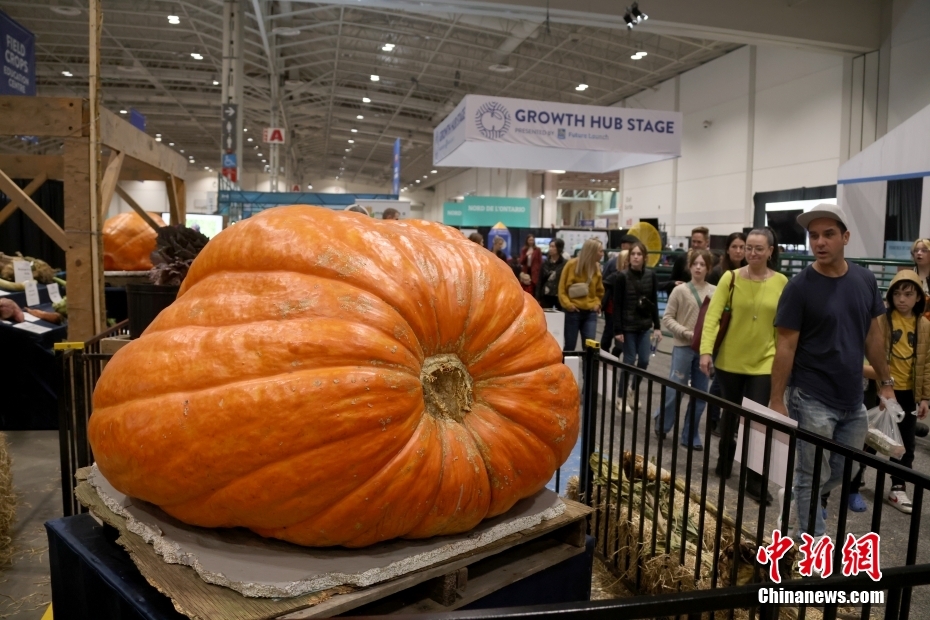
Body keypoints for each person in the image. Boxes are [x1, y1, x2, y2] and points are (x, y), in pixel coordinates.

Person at [768, 204, 894, 539]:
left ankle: (795, 499)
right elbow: (785, 347)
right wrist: (776, 399)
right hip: (810, 396)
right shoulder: (799, 287)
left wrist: (886, 382)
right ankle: (812, 544)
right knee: (811, 475)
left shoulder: (865, 280)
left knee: (843, 468)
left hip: (852, 398)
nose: (819, 242)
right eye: (813, 236)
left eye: (828, 234)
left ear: (845, 237)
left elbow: (872, 336)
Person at [700, 227, 788, 504]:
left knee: (757, 424)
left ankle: (755, 481)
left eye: (758, 248)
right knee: (729, 417)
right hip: (729, 362)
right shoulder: (731, 278)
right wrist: (705, 352)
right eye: (748, 247)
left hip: (764, 362)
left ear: (770, 251)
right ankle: (724, 459)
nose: (751, 253)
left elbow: (783, 326)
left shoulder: (782, 282)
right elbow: (712, 317)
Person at [857, 271, 930, 513]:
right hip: (881, 389)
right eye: (897, 294)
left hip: (909, 392)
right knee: (870, 439)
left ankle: (898, 488)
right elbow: (871, 353)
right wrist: (879, 390)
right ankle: (854, 482)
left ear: (919, 297)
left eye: (908, 294)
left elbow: (928, 364)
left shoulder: (925, 326)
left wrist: (925, 398)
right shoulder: (881, 321)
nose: (902, 299)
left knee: (905, 443)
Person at [655, 249, 716, 448]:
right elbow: (668, 317)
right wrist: (685, 332)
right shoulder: (680, 291)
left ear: (708, 268)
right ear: (689, 267)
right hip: (683, 346)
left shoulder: (714, 291)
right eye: (695, 264)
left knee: (700, 393)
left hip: (704, 349)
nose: (698, 267)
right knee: (675, 388)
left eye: (702, 264)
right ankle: (663, 423)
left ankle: (690, 434)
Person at [706, 232, 748, 435]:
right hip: (721, 333)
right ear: (728, 249)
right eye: (735, 247)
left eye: (742, 247)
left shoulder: (752, 272)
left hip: (742, 336)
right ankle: (714, 418)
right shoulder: (717, 273)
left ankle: (726, 421)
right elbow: (713, 307)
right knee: (719, 380)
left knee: (732, 384)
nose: (739, 251)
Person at [614, 241, 662, 408]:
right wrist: (618, 329)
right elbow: (617, 305)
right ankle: (620, 396)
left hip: (644, 325)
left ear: (644, 257)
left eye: (639, 254)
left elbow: (654, 302)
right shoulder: (622, 277)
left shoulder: (651, 276)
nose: (635, 257)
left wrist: (657, 326)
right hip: (627, 327)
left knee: (643, 361)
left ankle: (632, 390)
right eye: (633, 254)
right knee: (628, 359)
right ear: (629, 257)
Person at [558, 238, 605, 351]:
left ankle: (587, 369)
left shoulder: (596, 268)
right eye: (600, 251)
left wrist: (597, 304)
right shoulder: (572, 265)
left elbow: (599, 290)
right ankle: (567, 369)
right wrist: (568, 305)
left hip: (590, 313)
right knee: (570, 346)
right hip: (573, 312)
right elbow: (562, 289)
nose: (602, 254)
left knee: (590, 349)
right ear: (592, 252)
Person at [663, 226, 711, 293]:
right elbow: (672, 281)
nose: (695, 245)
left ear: (707, 242)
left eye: (699, 242)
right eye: (693, 241)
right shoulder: (682, 259)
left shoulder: (713, 260)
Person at [601, 249, 629, 353]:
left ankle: (612, 359)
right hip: (611, 311)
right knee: (607, 337)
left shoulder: (632, 276)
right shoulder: (615, 276)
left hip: (625, 313)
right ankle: (606, 359)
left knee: (620, 344)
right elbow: (602, 285)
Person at [537, 239, 567, 309]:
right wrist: (537, 297)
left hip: (559, 295)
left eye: (553, 247)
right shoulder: (545, 263)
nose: (551, 249)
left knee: (559, 317)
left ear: (559, 248)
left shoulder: (565, 263)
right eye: (550, 246)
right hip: (546, 294)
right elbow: (540, 281)